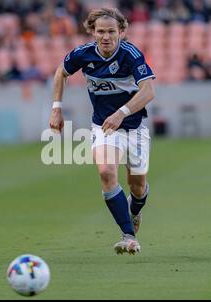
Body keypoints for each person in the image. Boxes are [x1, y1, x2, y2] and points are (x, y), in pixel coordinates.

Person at [49, 8, 155, 255]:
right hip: (104, 127)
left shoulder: (131, 54)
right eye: (100, 32)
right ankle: (128, 235)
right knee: (107, 172)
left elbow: (149, 91)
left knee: (137, 187)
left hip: (134, 128)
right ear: (92, 32)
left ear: (121, 32)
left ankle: (135, 211)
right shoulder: (83, 54)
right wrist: (56, 108)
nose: (106, 36)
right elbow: (60, 72)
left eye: (111, 31)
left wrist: (122, 113)